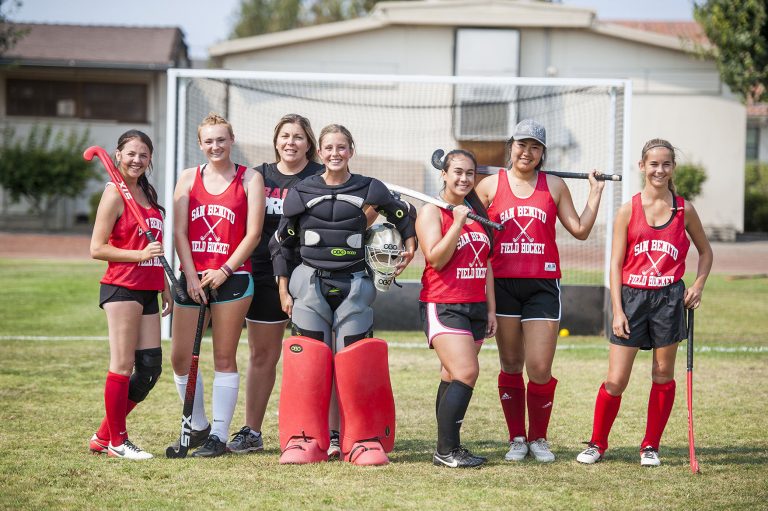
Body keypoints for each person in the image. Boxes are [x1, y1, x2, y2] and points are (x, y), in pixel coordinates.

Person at [273, 123, 417, 465]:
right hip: (309, 285)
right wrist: (283, 289)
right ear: (319, 152)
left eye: (342, 147)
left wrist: (410, 245)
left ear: (351, 150)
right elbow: (280, 245)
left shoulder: (370, 188)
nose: (335, 153)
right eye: (329, 148)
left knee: (356, 364)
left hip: (354, 284)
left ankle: (362, 440)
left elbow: (403, 215)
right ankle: (305, 438)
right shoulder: (301, 191)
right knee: (309, 362)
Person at [475, 118, 606, 463]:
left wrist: (594, 194)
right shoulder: (489, 186)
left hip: (542, 285)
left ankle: (539, 438)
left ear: (542, 153)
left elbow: (578, 229)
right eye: (522, 144)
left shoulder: (555, 186)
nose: (527, 152)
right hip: (502, 283)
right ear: (511, 146)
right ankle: (517, 437)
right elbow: (466, 226)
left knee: (539, 367)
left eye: (535, 147)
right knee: (512, 362)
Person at [576, 138, 713, 466]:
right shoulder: (629, 209)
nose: (660, 170)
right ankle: (597, 443)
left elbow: (706, 252)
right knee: (615, 379)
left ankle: (650, 445)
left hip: (669, 299)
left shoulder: (684, 209)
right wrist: (618, 309)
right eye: (653, 164)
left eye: (666, 164)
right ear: (642, 166)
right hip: (632, 298)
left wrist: (697, 285)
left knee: (663, 374)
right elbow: (614, 264)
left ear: (672, 168)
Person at [227, 114, 324, 454]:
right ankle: (252, 431)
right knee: (262, 354)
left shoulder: (321, 176)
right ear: (276, 140)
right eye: (285, 136)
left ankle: (314, 431)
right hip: (264, 274)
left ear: (309, 143)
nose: (290, 142)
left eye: (298, 137)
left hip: (310, 274)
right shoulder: (259, 176)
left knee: (312, 356)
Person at [169, 113, 264, 458]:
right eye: (208, 141)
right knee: (180, 357)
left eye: (221, 139)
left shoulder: (250, 179)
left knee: (224, 356)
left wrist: (224, 270)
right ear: (200, 144)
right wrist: (192, 276)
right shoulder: (187, 177)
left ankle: (219, 436)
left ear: (231, 139)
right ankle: (198, 425)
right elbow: (179, 231)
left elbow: (253, 234)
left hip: (233, 278)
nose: (215, 146)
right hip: (193, 277)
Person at [89, 130, 171, 460]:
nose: (137, 160)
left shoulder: (146, 192)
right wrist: (138, 256)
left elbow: (154, 248)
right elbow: (97, 248)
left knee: (149, 368)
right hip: (122, 286)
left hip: (149, 287)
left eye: (144, 155)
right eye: (131, 153)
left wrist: (163, 283)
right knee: (122, 366)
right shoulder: (114, 194)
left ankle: (103, 435)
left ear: (150, 159)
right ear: (118, 154)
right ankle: (118, 442)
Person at [416, 150, 497, 468]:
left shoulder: (475, 212)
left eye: (470, 173)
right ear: (444, 175)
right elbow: (436, 257)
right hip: (444, 303)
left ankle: (448, 448)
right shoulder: (432, 212)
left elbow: (486, 264)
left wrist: (491, 309)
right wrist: (457, 223)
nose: (464, 179)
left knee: (451, 375)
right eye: (458, 172)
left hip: (475, 305)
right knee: (467, 372)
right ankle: (446, 451)